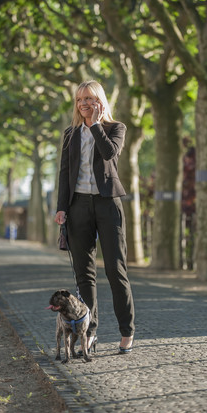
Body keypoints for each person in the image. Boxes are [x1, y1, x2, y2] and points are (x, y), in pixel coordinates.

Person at [54, 80, 135, 354]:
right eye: (80, 99)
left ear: (100, 100)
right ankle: (90, 332)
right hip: (78, 207)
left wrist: (96, 125)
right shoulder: (70, 134)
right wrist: (61, 207)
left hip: (107, 204)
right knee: (84, 275)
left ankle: (127, 331)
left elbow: (110, 154)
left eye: (89, 98)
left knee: (115, 270)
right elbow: (65, 174)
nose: (84, 104)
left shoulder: (116, 128)